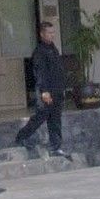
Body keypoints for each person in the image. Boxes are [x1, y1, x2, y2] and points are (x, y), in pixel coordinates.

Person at [17, 20, 69, 156]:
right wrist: (44, 91)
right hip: (46, 91)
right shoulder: (40, 51)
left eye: (53, 32)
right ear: (42, 34)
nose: (52, 35)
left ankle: (55, 146)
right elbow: (40, 73)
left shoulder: (53, 49)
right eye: (49, 32)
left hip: (56, 90)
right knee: (41, 116)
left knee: (55, 119)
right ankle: (22, 137)